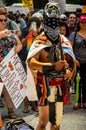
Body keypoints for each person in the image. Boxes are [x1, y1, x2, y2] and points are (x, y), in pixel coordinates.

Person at [26, 2, 76, 130]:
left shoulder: (63, 40)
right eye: (50, 20)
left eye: (55, 21)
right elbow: (32, 63)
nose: (53, 24)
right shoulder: (39, 40)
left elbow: (71, 62)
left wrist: (69, 70)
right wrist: (53, 66)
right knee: (43, 121)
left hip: (59, 84)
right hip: (44, 84)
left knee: (56, 122)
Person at [0, 13, 22, 119]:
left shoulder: (10, 32)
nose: (3, 22)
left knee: (8, 88)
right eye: (0, 20)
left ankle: (10, 110)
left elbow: (19, 43)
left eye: (5, 20)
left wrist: (17, 49)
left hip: (9, 66)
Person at [69, 14, 86, 110]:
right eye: (82, 22)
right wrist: (74, 59)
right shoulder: (74, 34)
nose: (84, 24)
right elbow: (69, 48)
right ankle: (77, 101)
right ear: (79, 23)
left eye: (85, 23)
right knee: (77, 82)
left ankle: (85, 101)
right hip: (77, 62)